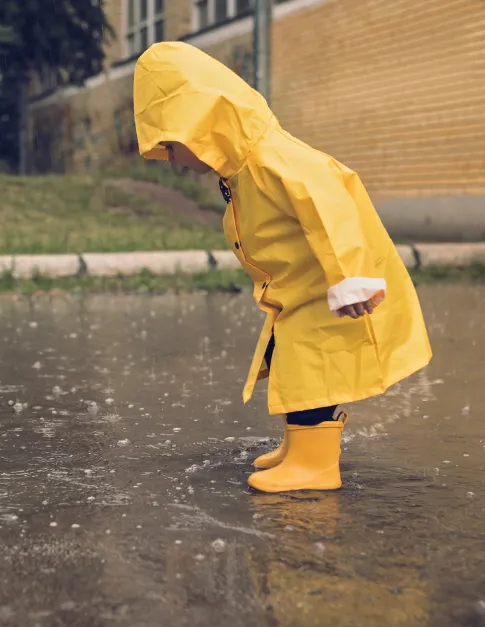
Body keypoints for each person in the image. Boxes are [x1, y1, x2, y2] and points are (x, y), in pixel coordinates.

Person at [133, 41, 432, 493]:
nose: (171, 160)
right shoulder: (242, 168)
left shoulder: (271, 159)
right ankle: (301, 447)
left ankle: (316, 465)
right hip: (299, 292)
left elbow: (329, 211)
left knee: (313, 372)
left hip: (324, 292)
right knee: (294, 366)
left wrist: (349, 279)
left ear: (201, 126)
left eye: (171, 145)